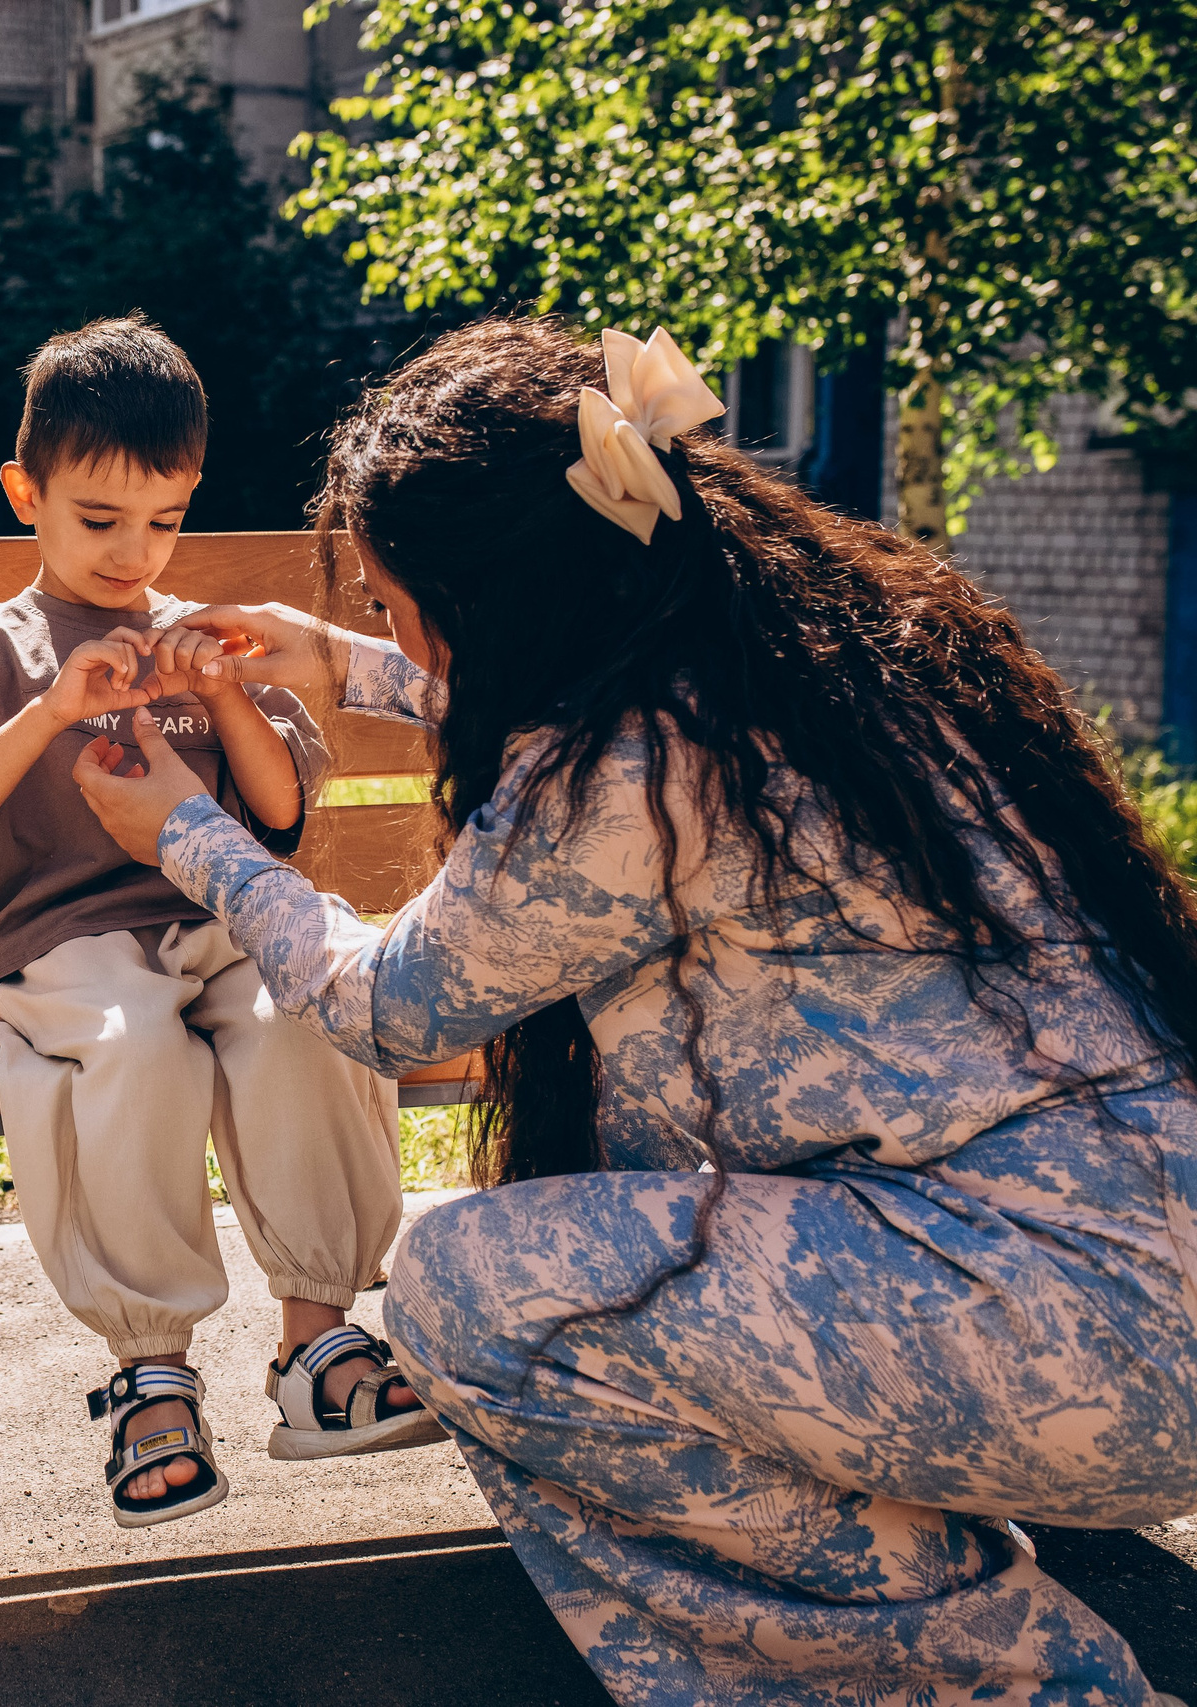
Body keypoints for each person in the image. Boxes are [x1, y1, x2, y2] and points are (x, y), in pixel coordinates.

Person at [72, 315, 1197, 1703]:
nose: (388, 625)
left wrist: (189, 833)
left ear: (489, 601)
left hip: (1076, 1336)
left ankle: (1004, 1680)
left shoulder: (622, 772)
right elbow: (612, 757)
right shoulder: (817, 649)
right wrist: (336, 660)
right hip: (1123, 1262)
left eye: (389, 602)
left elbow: (393, 1002)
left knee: (474, 1297)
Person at [0, 314, 428, 1530]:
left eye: (165, 520)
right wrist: (43, 716)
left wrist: (225, 689)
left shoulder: (205, 633)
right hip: (62, 938)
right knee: (130, 1040)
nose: (134, 552)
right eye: (99, 520)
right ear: (25, 494)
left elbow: (281, 820)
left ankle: (315, 1342)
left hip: (221, 923)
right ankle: (151, 1368)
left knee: (302, 1011)